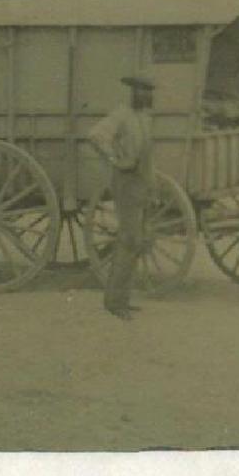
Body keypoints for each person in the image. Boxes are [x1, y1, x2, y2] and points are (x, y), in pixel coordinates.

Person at [87, 74, 156, 320]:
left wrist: (152, 188)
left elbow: (149, 158)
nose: (147, 96)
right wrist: (115, 160)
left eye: (149, 91)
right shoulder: (121, 115)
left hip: (141, 185)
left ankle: (123, 298)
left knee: (136, 243)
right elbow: (95, 135)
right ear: (133, 93)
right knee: (128, 241)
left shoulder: (145, 119)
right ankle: (114, 303)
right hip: (126, 184)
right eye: (142, 91)